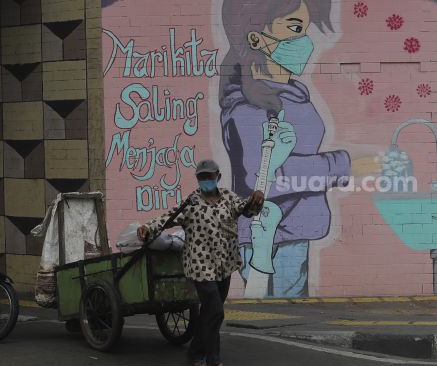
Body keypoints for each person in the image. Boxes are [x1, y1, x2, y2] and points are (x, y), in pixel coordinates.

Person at [218, 0, 351, 297]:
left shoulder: (291, 94)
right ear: (255, 38)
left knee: (284, 308)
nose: (304, 41)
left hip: (294, 231)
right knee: (276, 310)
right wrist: (341, 166)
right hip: (267, 235)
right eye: (294, 28)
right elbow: (262, 179)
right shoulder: (247, 106)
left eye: (305, 29)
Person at [137, 159, 264, 366]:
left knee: (209, 311)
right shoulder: (191, 203)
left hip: (225, 264)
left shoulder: (229, 198)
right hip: (200, 265)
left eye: (209, 176)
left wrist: (256, 199)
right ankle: (213, 359)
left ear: (217, 177)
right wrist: (147, 227)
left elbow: (247, 210)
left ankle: (196, 352)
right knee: (215, 310)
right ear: (197, 179)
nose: (206, 180)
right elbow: (168, 218)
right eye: (202, 177)